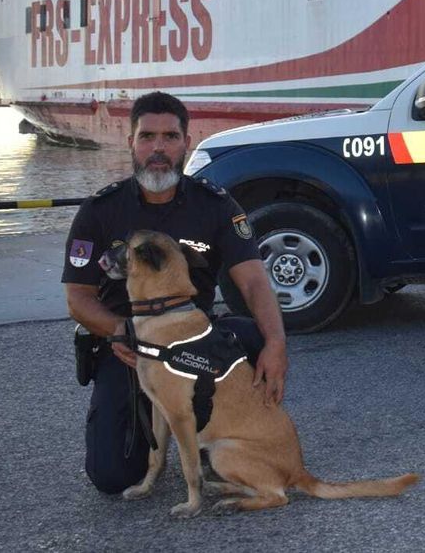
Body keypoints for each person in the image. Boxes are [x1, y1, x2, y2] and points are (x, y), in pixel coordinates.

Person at [62, 91, 289, 494]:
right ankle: (168, 433)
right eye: (147, 137)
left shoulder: (215, 205)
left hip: (193, 343)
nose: (158, 149)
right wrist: (119, 330)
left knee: (253, 336)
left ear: (186, 141)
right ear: (131, 141)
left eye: (170, 137)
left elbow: (253, 280)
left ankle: (236, 442)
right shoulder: (100, 211)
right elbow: (78, 297)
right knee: (112, 477)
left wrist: (276, 343)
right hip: (127, 346)